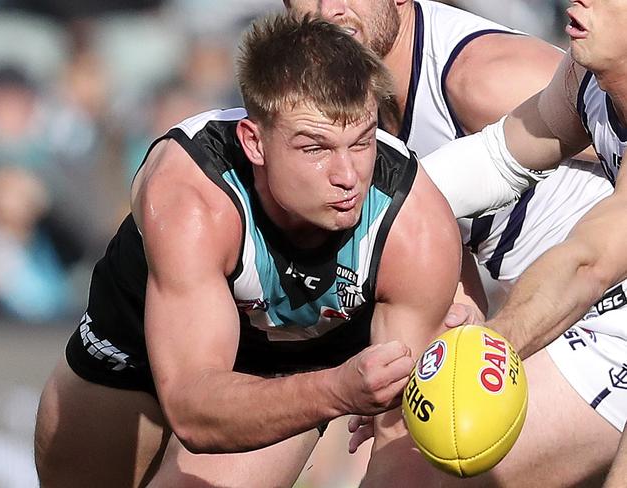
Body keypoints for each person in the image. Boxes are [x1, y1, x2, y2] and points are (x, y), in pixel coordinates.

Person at [33, 14, 461, 487]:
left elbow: (400, 442)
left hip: (286, 364)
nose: (347, 175)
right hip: (136, 336)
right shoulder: (191, 195)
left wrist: (340, 391)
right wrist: (339, 391)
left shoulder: (413, 225)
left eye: (361, 142)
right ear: (254, 143)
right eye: (315, 148)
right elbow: (193, 409)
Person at [285, 1, 618, 486]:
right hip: (557, 308)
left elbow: (590, 261)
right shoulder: (582, 78)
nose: (326, 10)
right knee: (407, 441)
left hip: (597, 310)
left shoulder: (483, 75)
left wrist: (470, 360)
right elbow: (491, 164)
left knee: (424, 461)